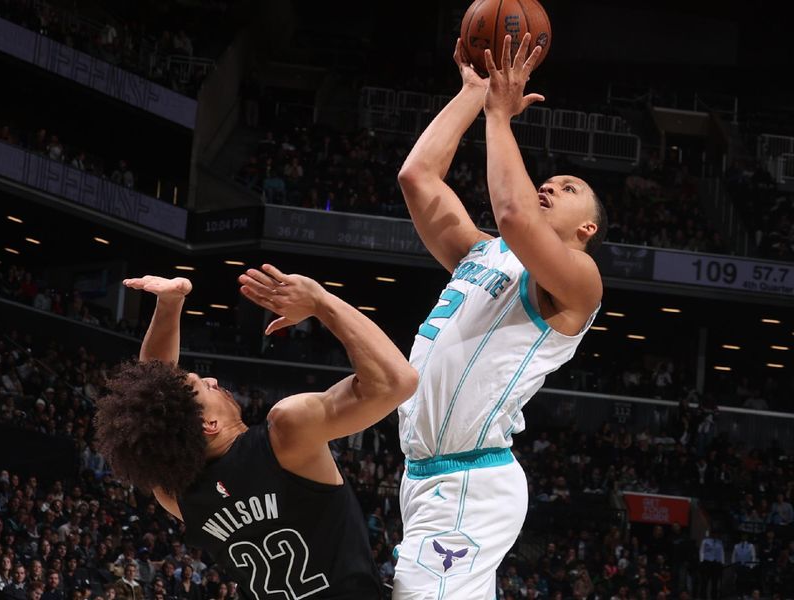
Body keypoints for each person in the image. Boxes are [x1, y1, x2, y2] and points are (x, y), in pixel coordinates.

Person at [394, 33, 604, 599]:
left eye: (567, 188)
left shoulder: (580, 283)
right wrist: (472, 92)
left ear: (587, 229)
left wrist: (500, 118)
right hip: (423, 476)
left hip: (471, 477)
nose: (548, 186)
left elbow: (513, 213)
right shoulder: (482, 252)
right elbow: (417, 179)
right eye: (548, 181)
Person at [94, 266, 418, 600]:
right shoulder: (285, 433)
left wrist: (170, 303)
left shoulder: (178, 495)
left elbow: (153, 398)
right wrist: (321, 303)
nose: (213, 381)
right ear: (210, 426)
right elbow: (398, 381)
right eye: (202, 386)